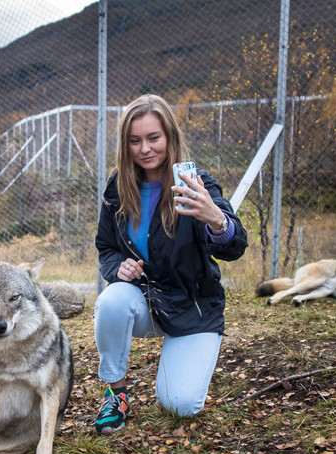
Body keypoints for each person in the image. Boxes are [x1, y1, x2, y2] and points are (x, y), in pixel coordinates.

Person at [93, 94, 248, 434]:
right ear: (125, 144)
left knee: (180, 405)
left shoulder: (197, 184)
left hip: (193, 307)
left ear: (170, 138)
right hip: (145, 303)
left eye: (153, 138)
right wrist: (117, 268)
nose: (145, 149)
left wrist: (216, 219)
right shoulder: (118, 188)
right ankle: (115, 394)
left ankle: (180, 356)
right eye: (135, 141)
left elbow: (235, 246)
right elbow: (106, 247)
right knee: (112, 301)